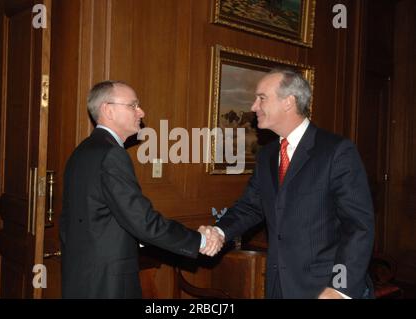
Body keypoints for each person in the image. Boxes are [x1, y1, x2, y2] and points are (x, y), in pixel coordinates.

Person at [201, 68, 375, 299]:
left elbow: (358, 227)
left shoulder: (336, 151)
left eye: (261, 98)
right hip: (279, 286)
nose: (253, 106)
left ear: (288, 102)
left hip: (325, 289)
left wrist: (340, 288)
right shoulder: (268, 155)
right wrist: (219, 231)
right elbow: (251, 206)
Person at [60, 81, 222, 298]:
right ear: (108, 110)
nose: (141, 112)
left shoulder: (81, 151)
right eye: (133, 105)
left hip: (81, 277)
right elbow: (142, 222)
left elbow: (75, 223)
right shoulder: (111, 154)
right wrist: (199, 240)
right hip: (108, 284)